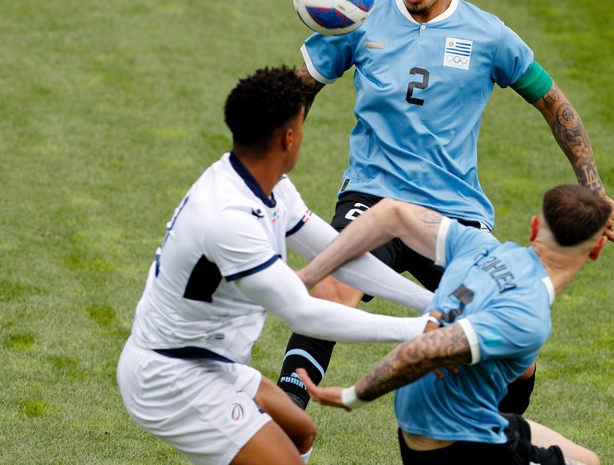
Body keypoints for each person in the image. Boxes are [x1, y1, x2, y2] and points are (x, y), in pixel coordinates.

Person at [278, 0, 614, 413]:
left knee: (510, 323)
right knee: (331, 290)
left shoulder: (488, 36)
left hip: (457, 213)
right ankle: (287, 426)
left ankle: (502, 434)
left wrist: (591, 186)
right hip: (371, 197)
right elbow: (299, 90)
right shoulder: (361, 17)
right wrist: (276, 160)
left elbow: (555, 105)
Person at [116, 66, 436, 465]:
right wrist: (419, 331)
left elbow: (337, 254)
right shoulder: (229, 220)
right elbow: (304, 314)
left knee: (301, 432)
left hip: (213, 364)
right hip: (171, 377)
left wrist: (430, 303)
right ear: (288, 137)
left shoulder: (267, 183)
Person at [293, 184, 610, 464]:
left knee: (588, 460)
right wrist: (352, 396)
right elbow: (421, 352)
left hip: (427, 428)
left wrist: (310, 274)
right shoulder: (529, 315)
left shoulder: (480, 247)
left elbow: (390, 212)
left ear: (534, 226)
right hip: (458, 447)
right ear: (596, 249)